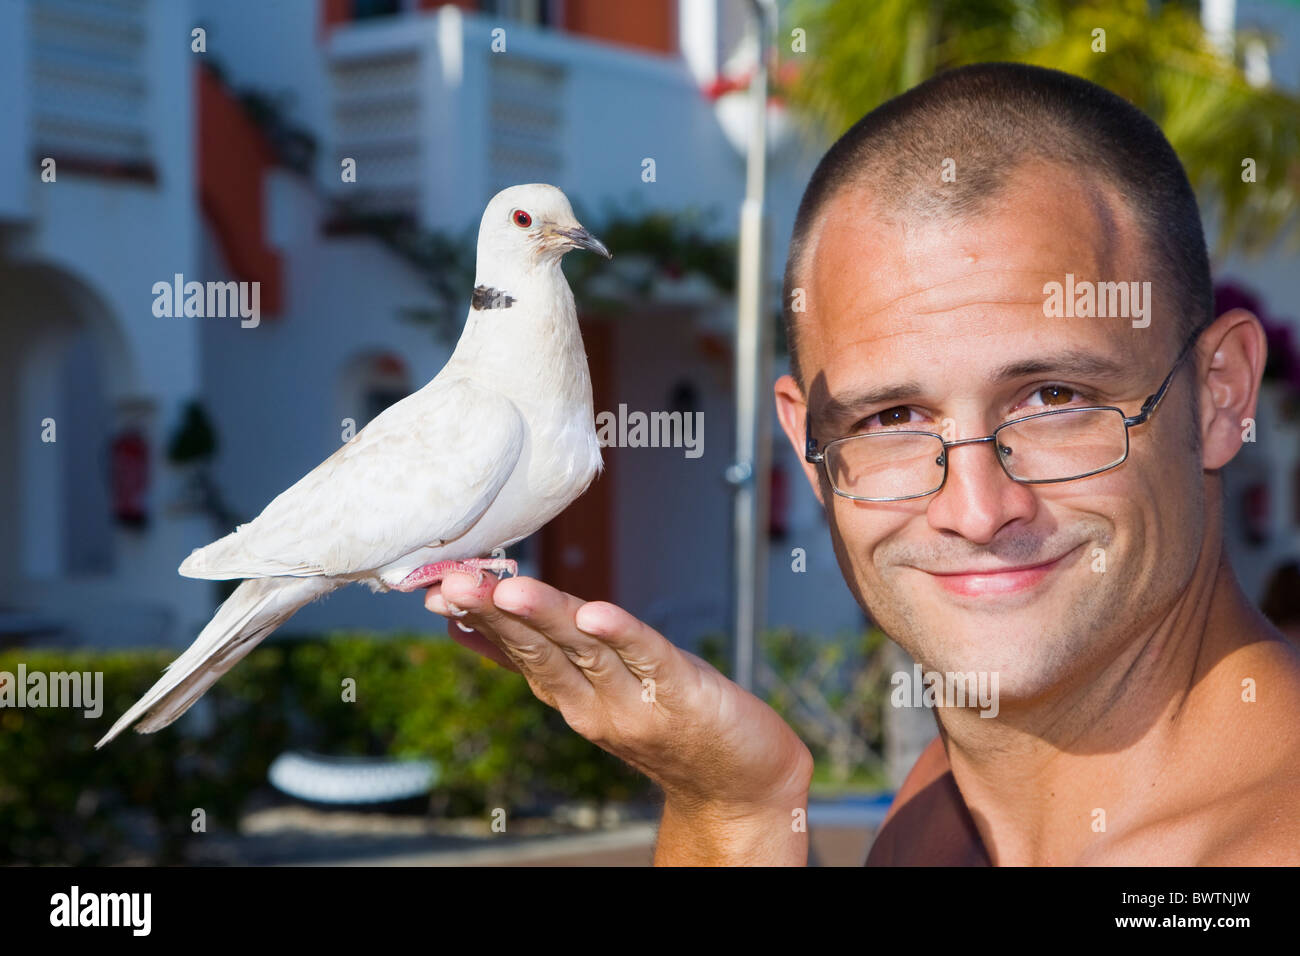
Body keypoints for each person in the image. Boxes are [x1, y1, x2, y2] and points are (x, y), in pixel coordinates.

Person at [424, 63, 1300, 865]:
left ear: (1222, 394)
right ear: (809, 448)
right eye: (892, 418)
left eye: (1054, 398)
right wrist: (732, 811)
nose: (978, 507)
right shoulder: (933, 823)